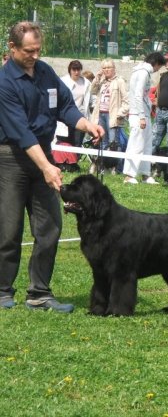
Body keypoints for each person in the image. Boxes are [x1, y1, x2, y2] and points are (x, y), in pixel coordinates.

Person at [0, 21, 104, 311]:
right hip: (11, 158)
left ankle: (39, 293)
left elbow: (65, 107)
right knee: (8, 230)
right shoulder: (4, 82)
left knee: (50, 228)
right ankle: (2, 291)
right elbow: (20, 131)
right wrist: (47, 167)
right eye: (28, 51)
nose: (34, 55)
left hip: (42, 155)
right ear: (12, 48)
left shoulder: (45, 72)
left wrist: (86, 124)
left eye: (38, 50)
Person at [123, 52, 166, 184]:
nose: (158, 70)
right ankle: (129, 175)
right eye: (159, 66)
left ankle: (145, 174)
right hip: (138, 114)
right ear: (156, 63)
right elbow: (137, 95)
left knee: (146, 145)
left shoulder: (143, 72)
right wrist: (141, 116)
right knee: (136, 145)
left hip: (144, 113)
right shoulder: (143, 73)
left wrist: (149, 104)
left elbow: (143, 95)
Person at [89, 58, 128, 151]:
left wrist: (119, 114)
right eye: (104, 68)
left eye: (109, 67)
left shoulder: (120, 81)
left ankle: (115, 165)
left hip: (112, 116)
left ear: (114, 68)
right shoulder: (102, 81)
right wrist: (97, 77)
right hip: (100, 114)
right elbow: (92, 91)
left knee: (113, 143)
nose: (106, 70)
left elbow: (126, 100)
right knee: (103, 142)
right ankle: (104, 164)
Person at [60, 60, 91, 146]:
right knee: (64, 144)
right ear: (70, 70)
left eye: (78, 70)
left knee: (77, 144)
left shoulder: (86, 83)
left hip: (79, 117)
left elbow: (89, 100)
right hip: (65, 117)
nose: (76, 72)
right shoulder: (62, 81)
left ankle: (75, 159)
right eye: (74, 70)